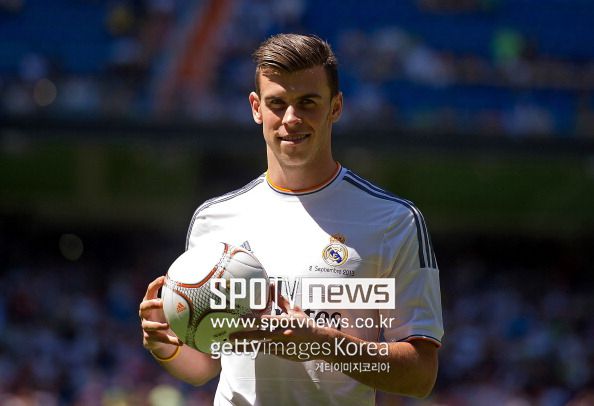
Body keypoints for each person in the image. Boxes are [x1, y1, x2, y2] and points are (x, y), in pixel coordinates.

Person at [139, 33, 443, 405]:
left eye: (308, 102)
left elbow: (420, 375)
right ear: (256, 108)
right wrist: (164, 344)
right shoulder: (213, 219)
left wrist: (321, 342)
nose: (291, 119)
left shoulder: (394, 221)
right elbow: (205, 365)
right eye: (277, 103)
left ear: (336, 107)